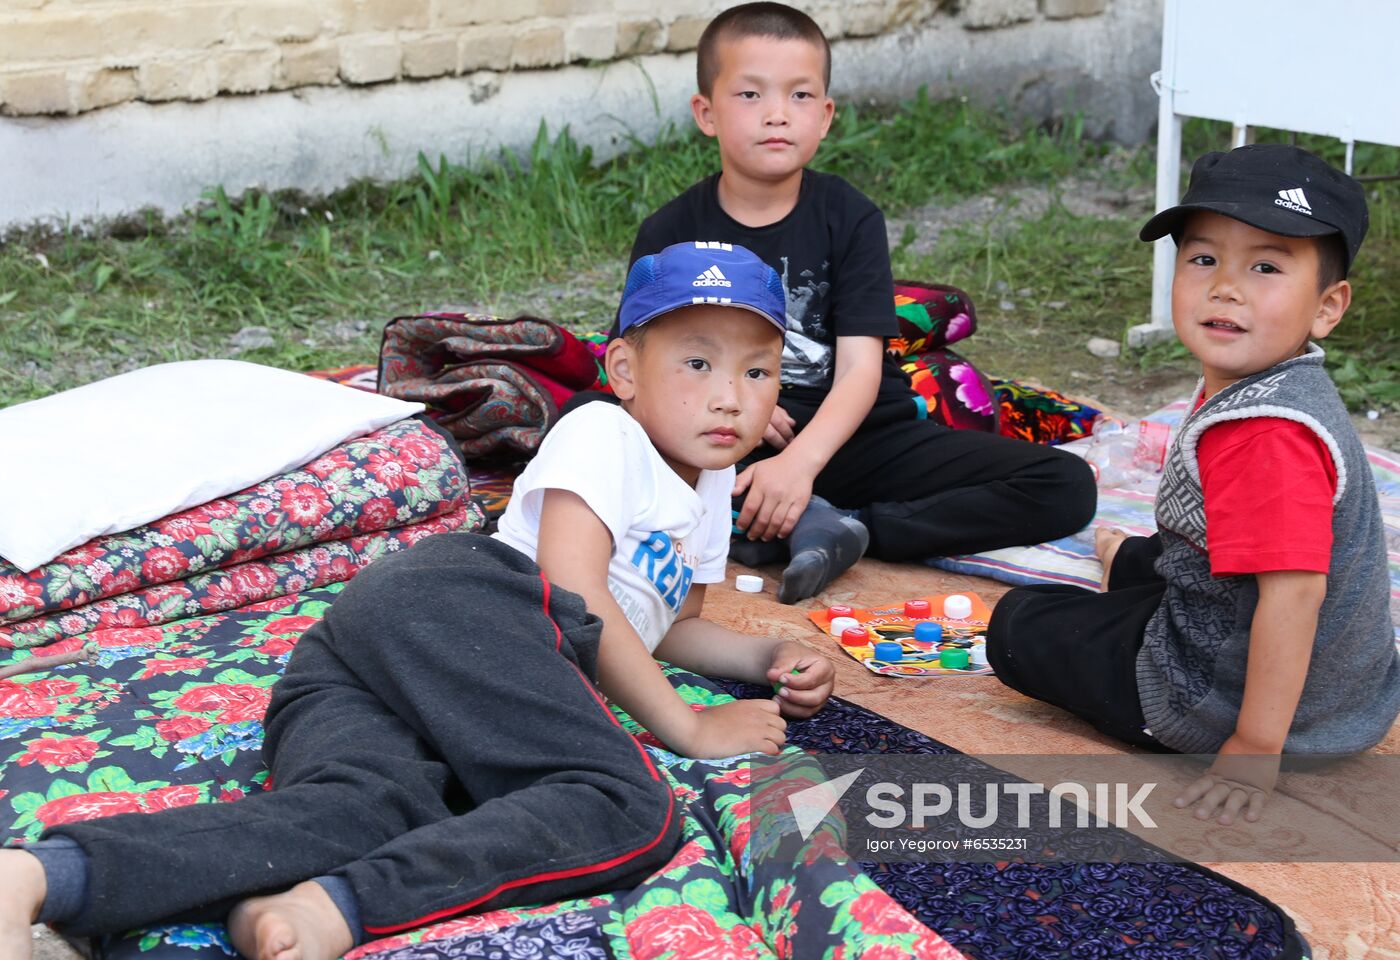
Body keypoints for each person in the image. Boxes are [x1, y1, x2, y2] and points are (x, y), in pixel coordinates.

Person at [0, 241, 836, 960]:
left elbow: (671, 626)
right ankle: (348, 908)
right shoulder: (605, 432)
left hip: (364, 656)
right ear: (623, 370)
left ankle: (45, 876)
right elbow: (575, 591)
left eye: (757, 371)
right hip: (469, 603)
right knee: (624, 806)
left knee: (361, 807)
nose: (731, 395)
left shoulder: (712, 482)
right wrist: (686, 727)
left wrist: (765, 658)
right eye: (697, 363)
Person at [622, 1, 1096, 603]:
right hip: (731, 434)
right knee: (595, 425)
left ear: (825, 116)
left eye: (799, 97)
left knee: (1064, 484)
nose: (776, 114)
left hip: (852, 435)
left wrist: (800, 468)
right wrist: (738, 392)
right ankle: (784, 519)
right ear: (706, 113)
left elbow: (859, 370)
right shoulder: (670, 229)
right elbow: (639, 363)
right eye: (749, 95)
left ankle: (854, 527)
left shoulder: (850, 217)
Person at [987, 144, 1400, 825]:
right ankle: (1133, 565)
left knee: (1024, 623)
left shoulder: (1265, 435)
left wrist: (1254, 748)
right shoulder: (1276, 380)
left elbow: (1294, 597)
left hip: (1268, 706)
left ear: (1327, 307)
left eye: (1265, 266)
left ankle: (1201, 693)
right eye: (1204, 259)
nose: (1226, 287)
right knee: (1167, 555)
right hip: (1347, 689)